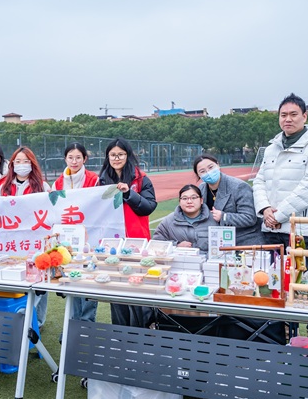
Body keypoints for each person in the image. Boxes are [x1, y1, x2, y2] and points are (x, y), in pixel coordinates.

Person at [252, 93, 308, 339]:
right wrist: (265, 209)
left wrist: (280, 214)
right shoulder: (272, 147)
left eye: (293, 114)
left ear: (304, 116)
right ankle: (281, 331)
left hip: (302, 229)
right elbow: (259, 181)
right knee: (273, 281)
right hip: (271, 228)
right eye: (283, 115)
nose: (288, 119)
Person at [98, 137, 157, 328]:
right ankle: (120, 333)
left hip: (136, 243)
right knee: (116, 291)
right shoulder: (102, 180)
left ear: (128, 155)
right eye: (113, 155)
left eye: (121, 154)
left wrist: (129, 194)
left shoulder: (141, 178)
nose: (116, 158)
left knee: (137, 288)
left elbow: (148, 207)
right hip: (112, 244)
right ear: (107, 157)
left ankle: (141, 331)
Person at [0, 146, 51, 327]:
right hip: (12, 243)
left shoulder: (42, 186)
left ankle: (37, 321)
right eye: (17, 161)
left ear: (32, 164)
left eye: (26, 161)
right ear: (12, 165)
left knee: (38, 280)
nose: (22, 165)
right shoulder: (4, 187)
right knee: (16, 278)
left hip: (36, 242)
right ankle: (18, 315)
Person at [54, 143, 100, 325]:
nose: (74, 161)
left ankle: (87, 323)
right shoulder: (58, 183)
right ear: (65, 159)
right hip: (68, 240)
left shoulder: (94, 179)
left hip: (90, 236)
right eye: (70, 157)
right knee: (72, 278)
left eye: (78, 157)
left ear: (85, 159)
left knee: (89, 278)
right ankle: (73, 323)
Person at [192, 153, 262, 246]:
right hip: (217, 241)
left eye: (211, 167)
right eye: (202, 171)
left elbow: (250, 218)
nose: (208, 172)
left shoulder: (239, 186)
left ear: (218, 165)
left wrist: (224, 217)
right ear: (198, 175)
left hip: (245, 240)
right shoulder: (201, 189)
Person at [152, 184, 218, 254]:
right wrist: (176, 246)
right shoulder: (168, 221)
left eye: (193, 198)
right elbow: (156, 244)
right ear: (179, 202)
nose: (189, 201)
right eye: (185, 198)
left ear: (201, 200)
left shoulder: (214, 220)